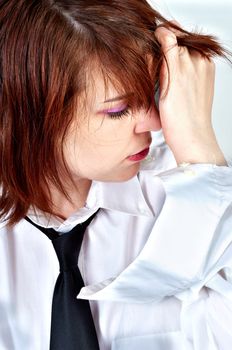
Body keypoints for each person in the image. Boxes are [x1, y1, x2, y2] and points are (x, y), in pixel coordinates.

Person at [1, 0, 232, 349]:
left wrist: (200, 149)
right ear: (28, 117)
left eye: (152, 93)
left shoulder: (193, 196)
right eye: (119, 110)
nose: (154, 123)